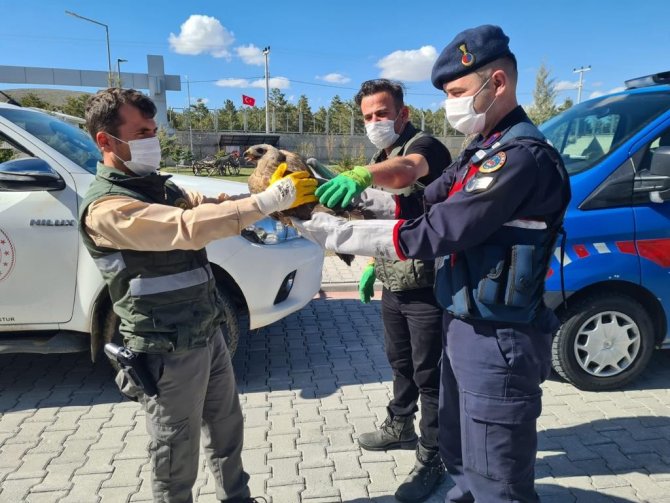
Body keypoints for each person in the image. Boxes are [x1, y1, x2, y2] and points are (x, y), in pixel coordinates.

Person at [292, 25, 571, 503]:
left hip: (500, 338)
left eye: (458, 92)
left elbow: (440, 229)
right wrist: (349, 200)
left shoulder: (519, 158)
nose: (450, 104)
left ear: (498, 83)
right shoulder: (481, 150)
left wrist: (333, 233)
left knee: (497, 477)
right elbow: (422, 200)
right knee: (462, 455)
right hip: (463, 325)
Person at [79, 88, 315, 503]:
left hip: (208, 332)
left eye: (153, 130)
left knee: (227, 427)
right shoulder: (108, 208)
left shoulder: (161, 188)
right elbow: (187, 227)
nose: (152, 139)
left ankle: (237, 498)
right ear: (105, 141)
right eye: (141, 132)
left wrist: (264, 196)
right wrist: (266, 201)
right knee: (175, 448)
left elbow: (214, 205)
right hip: (165, 347)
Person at [317, 79, 451, 502]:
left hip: (428, 283)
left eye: (382, 114)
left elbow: (407, 178)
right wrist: (374, 265)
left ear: (402, 114)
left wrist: (361, 175)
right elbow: (392, 220)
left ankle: (434, 455)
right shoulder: (382, 153)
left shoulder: (426, 147)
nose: (375, 122)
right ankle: (400, 425)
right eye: (368, 117)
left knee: (430, 373)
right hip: (395, 281)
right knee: (399, 362)